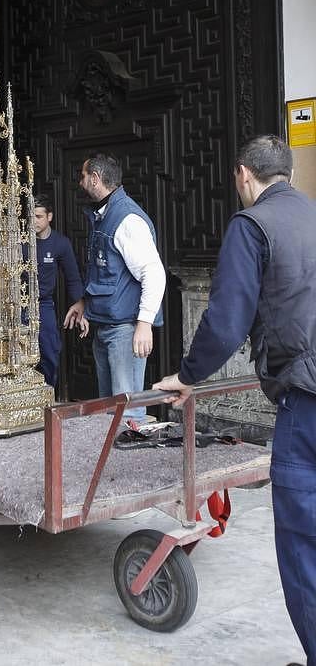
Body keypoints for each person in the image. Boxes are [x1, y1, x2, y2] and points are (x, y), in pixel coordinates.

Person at [152, 135, 316, 666]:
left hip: (307, 402)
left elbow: (225, 321)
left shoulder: (253, 226)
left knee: (303, 543)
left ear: (243, 174)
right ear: (287, 172)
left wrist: (188, 375)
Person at [63, 153, 166, 423]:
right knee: (111, 410)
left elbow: (154, 273)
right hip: (107, 326)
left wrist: (144, 324)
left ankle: (132, 463)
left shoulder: (127, 219)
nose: (80, 182)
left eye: (83, 176)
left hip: (125, 329)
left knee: (127, 411)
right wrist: (84, 302)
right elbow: (108, 272)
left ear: (95, 179)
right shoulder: (105, 216)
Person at [32, 194, 83, 389]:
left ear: (49, 217)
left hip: (44, 304)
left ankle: (47, 393)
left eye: (38, 217)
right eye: (30, 217)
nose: (33, 221)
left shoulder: (60, 243)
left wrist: (79, 302)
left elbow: (73, 277)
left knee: (49, 350)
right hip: (18, 304)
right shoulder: (19, 242)